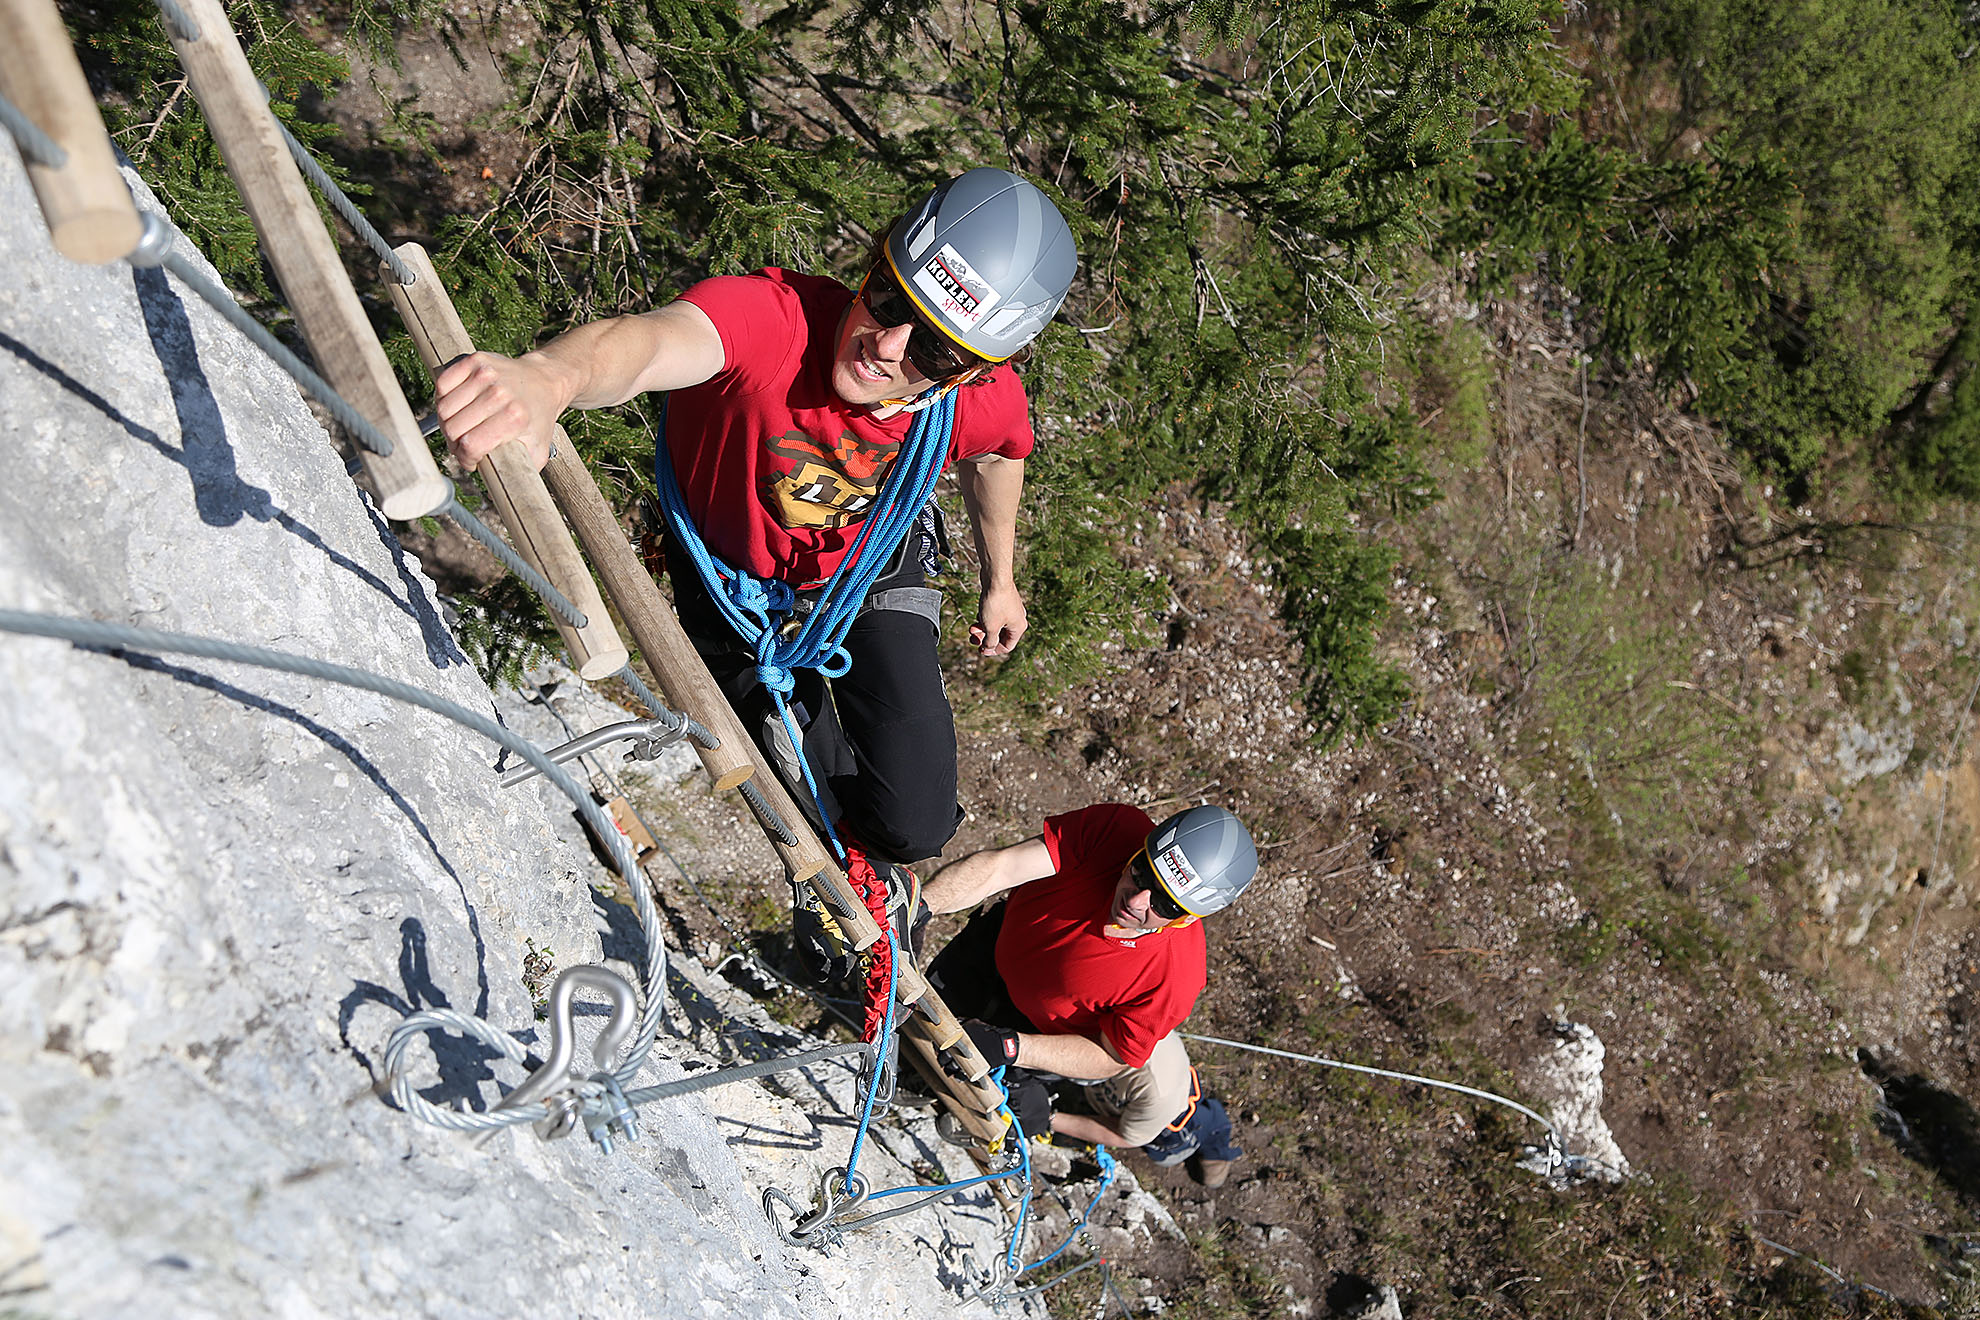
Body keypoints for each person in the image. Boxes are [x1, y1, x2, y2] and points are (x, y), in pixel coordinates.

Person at [434, 168, 1077, 866]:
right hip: (725, 583)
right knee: (798, 785)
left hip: (869, 564)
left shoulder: (980, 401)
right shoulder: (775, 324)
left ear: (969, 372)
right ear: (872, 265)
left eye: (933, 349)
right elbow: (649, 341)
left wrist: (1000, 579)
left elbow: (996, 457)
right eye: (888, 298)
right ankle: (847, 874)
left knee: (915, 827)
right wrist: (550, 376)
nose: (887, 347)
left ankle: (882, 875)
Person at [918, 802, 1258, 1139]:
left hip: (1035, 1033)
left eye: (1164, 903)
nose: (1136, 900)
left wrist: (1014, 1048)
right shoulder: (1114, 830)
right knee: (906, 1019)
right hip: (987, 953)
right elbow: (1002, 868)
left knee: (948, 1082)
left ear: (1187, 918)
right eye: (1141, 870)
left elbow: (1111, 1057)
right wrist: (920, 907)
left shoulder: (1175, 977)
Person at [1053, 1033, 1245, 1189]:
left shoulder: (1158, 1093)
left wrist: (1049, 1119)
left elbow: (1125, 1136)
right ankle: (1215, 1156)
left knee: (1170, 1154)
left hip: (1170, 1115)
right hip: (1171, 1098)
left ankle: (1215, 1158)